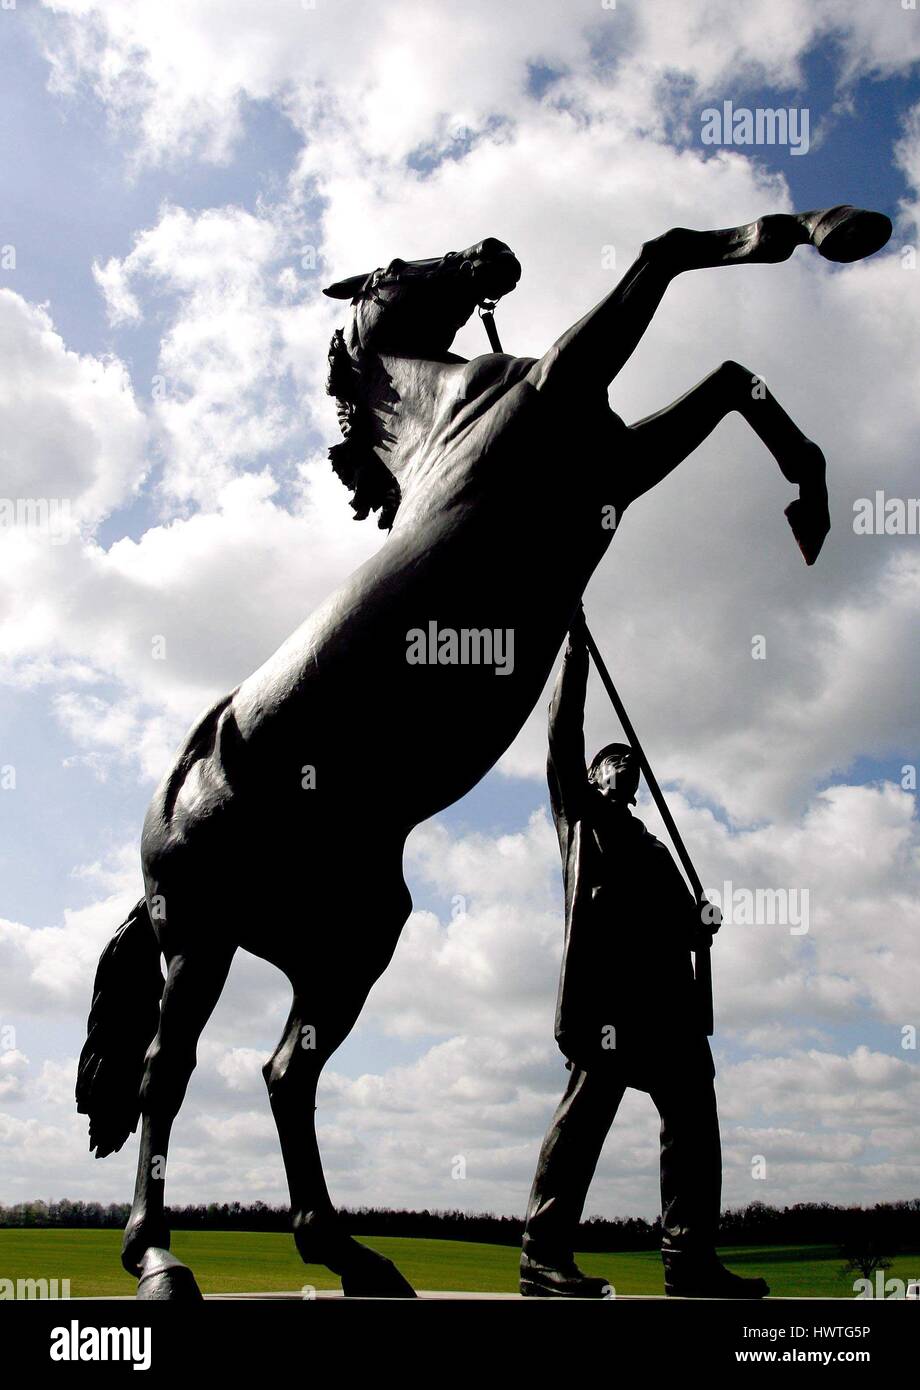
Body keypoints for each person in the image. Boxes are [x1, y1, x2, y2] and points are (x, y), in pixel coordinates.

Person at [520, 610, 769, 1299]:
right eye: (612, 762)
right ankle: (542, 1256)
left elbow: (682, 927)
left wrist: (702, 925)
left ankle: (688, 1261)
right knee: (585, 1117)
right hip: (610, 1003)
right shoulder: (581, 819)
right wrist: (572, 652)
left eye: (630, 765)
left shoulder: (656, 849)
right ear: (595, 776)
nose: (622, 769)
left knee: (693, 1120)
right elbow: (561, 735)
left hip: (670, 1008)